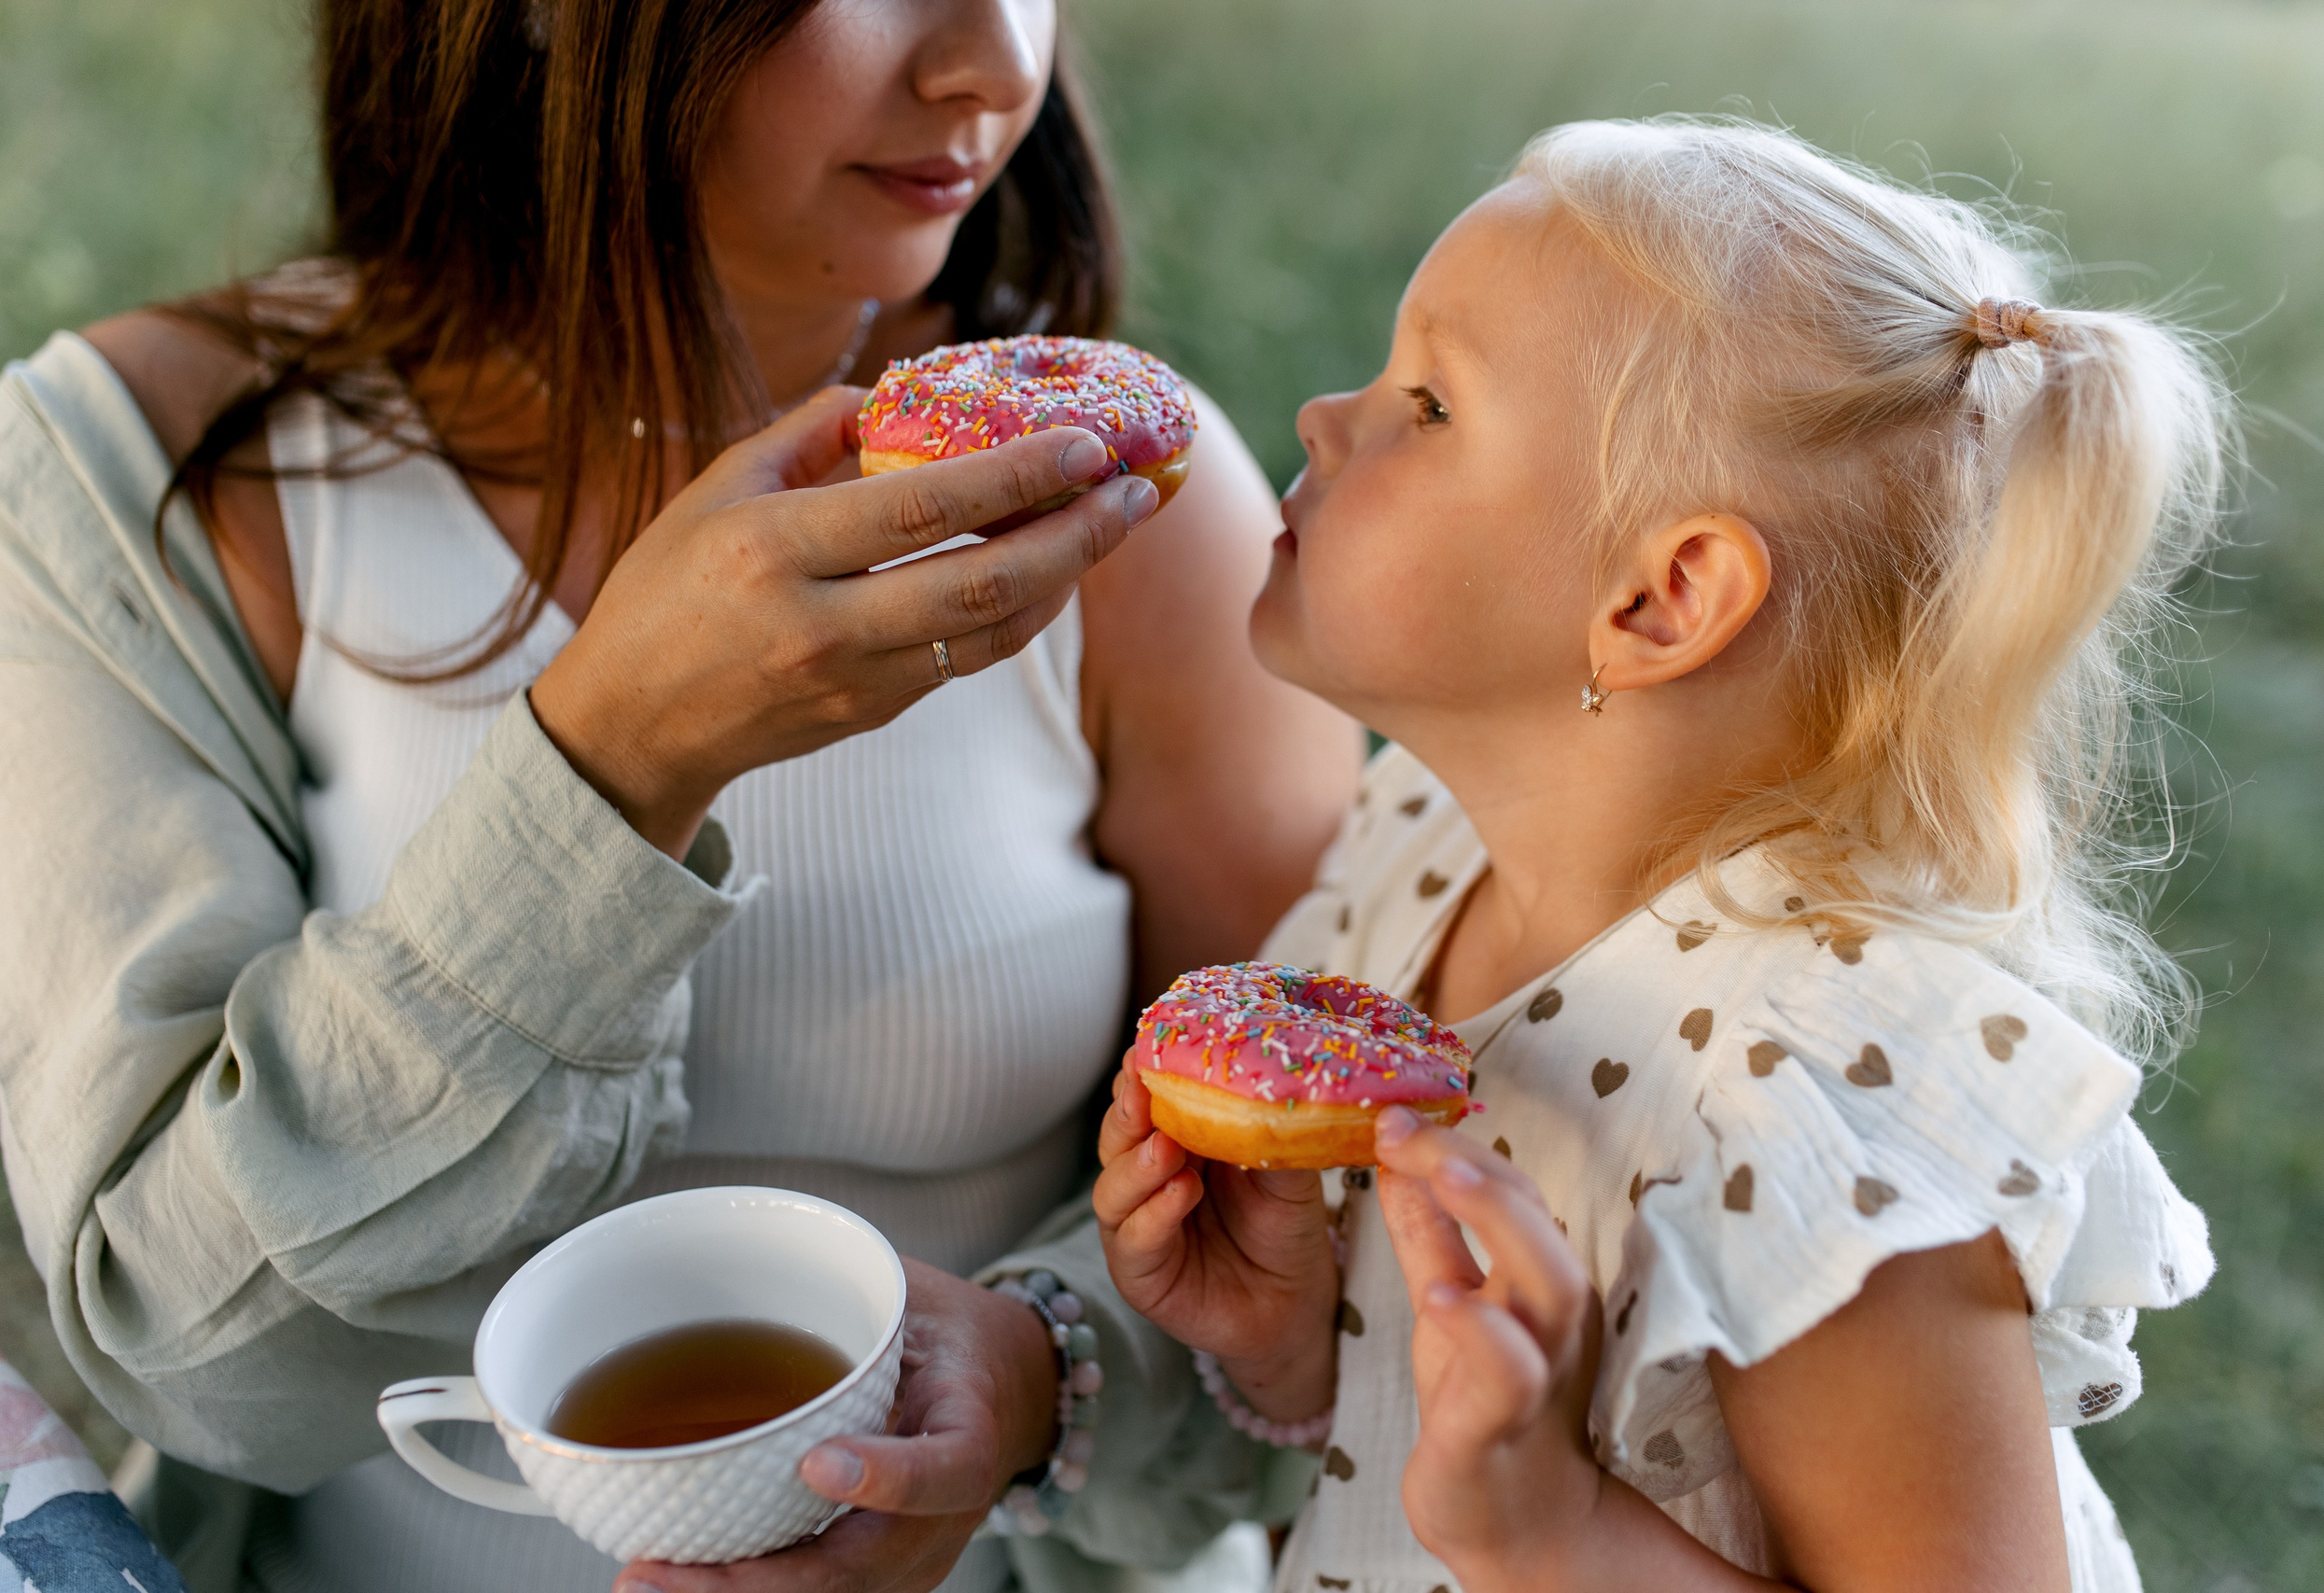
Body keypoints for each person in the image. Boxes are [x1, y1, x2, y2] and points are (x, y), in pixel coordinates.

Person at [0, 3, 1357, 1591]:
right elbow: (195, 1355)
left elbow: (1319, 1253)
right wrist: (616, 764)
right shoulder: (138, 481)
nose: (996, 66)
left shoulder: (1124, 504)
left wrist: (1042, 1372)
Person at [1093, 118, 2222, 1590]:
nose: (1322, 414)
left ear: (1663, 598)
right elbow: (1391, 1444)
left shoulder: (1799, 1110)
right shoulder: (1420, 855)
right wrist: (1287, 1337)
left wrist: (1552, 1535)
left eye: (1427, 402)